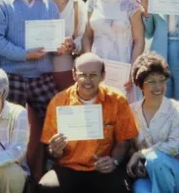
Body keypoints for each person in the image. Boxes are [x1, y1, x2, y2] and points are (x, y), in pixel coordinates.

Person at [39, 53, 138, 193]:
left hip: (103, 168)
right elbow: (50, 150)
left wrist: (113, 161)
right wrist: (54, 150)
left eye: (93, 75)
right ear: (74, 75)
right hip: (69, 167)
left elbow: (124, 141)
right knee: (46, 187)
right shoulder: (59, 101)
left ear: (103, 75)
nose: (87, 80)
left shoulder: (117, 100)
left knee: (120, 189)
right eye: (82, 75)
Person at [82, 0, 145, 102]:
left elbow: (139, 40)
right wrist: (89, 65)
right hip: (97, 68)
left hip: (122, 68)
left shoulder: (131, 1)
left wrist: (132, 69)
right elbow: (87, 36)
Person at [127, 53, 179, 193]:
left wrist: (141, 154)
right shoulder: (131, 110)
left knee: (155, 159)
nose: (158, 87)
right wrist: (137, 158)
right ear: (140, 85)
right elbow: (129, 145)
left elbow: (173, 147)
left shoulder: (177, 109)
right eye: (151, 81)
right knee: (140, 190)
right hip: (148, 175)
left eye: (162, 80)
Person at [41, 0, 87, 90]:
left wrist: (72, 45)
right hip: (38, 73)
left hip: (67, 71)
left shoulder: (78, 6)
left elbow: (83, 38)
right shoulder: (35, 5)